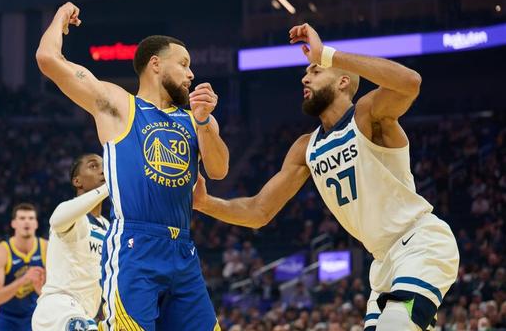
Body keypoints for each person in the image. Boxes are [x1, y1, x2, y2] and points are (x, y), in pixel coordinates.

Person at [193, 23, 459, 331]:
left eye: (315, 71)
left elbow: (410, 82)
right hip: (382, 262)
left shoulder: (367, 114)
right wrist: (205, 203)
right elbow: (258, 211)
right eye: (306, 72)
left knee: (396, 325)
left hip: (419, 241)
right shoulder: (305, 147)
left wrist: (328, 55)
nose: (304, 78)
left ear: (343, 81)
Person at [36, 2, 230, 330]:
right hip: (135, 245)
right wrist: (59, 19)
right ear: (155, 64)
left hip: (183, 249)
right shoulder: (119, 105)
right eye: (184, 64)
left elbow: (219, 169)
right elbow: (48, 59)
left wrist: (205, 122)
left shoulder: (196, 120)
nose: (191, 74)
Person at [32, 153, 110, 331]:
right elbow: (56, 220)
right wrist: (109, 187)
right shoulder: (69, 213)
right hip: (58, 308)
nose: (103, 171)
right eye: (93, 166)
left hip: (84, 313)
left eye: (105, 166)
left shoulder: (107, 226)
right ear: (77, 181)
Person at [0, 203, 46, 331]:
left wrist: (41, 291)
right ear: (13, 223)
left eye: (31, 218)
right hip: (4, 316)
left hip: (34, 315)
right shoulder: (0, 252)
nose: (27, 222)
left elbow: (56, 291)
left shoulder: (46, 248)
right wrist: (23, 280)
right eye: (22, 218)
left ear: (36, 224)